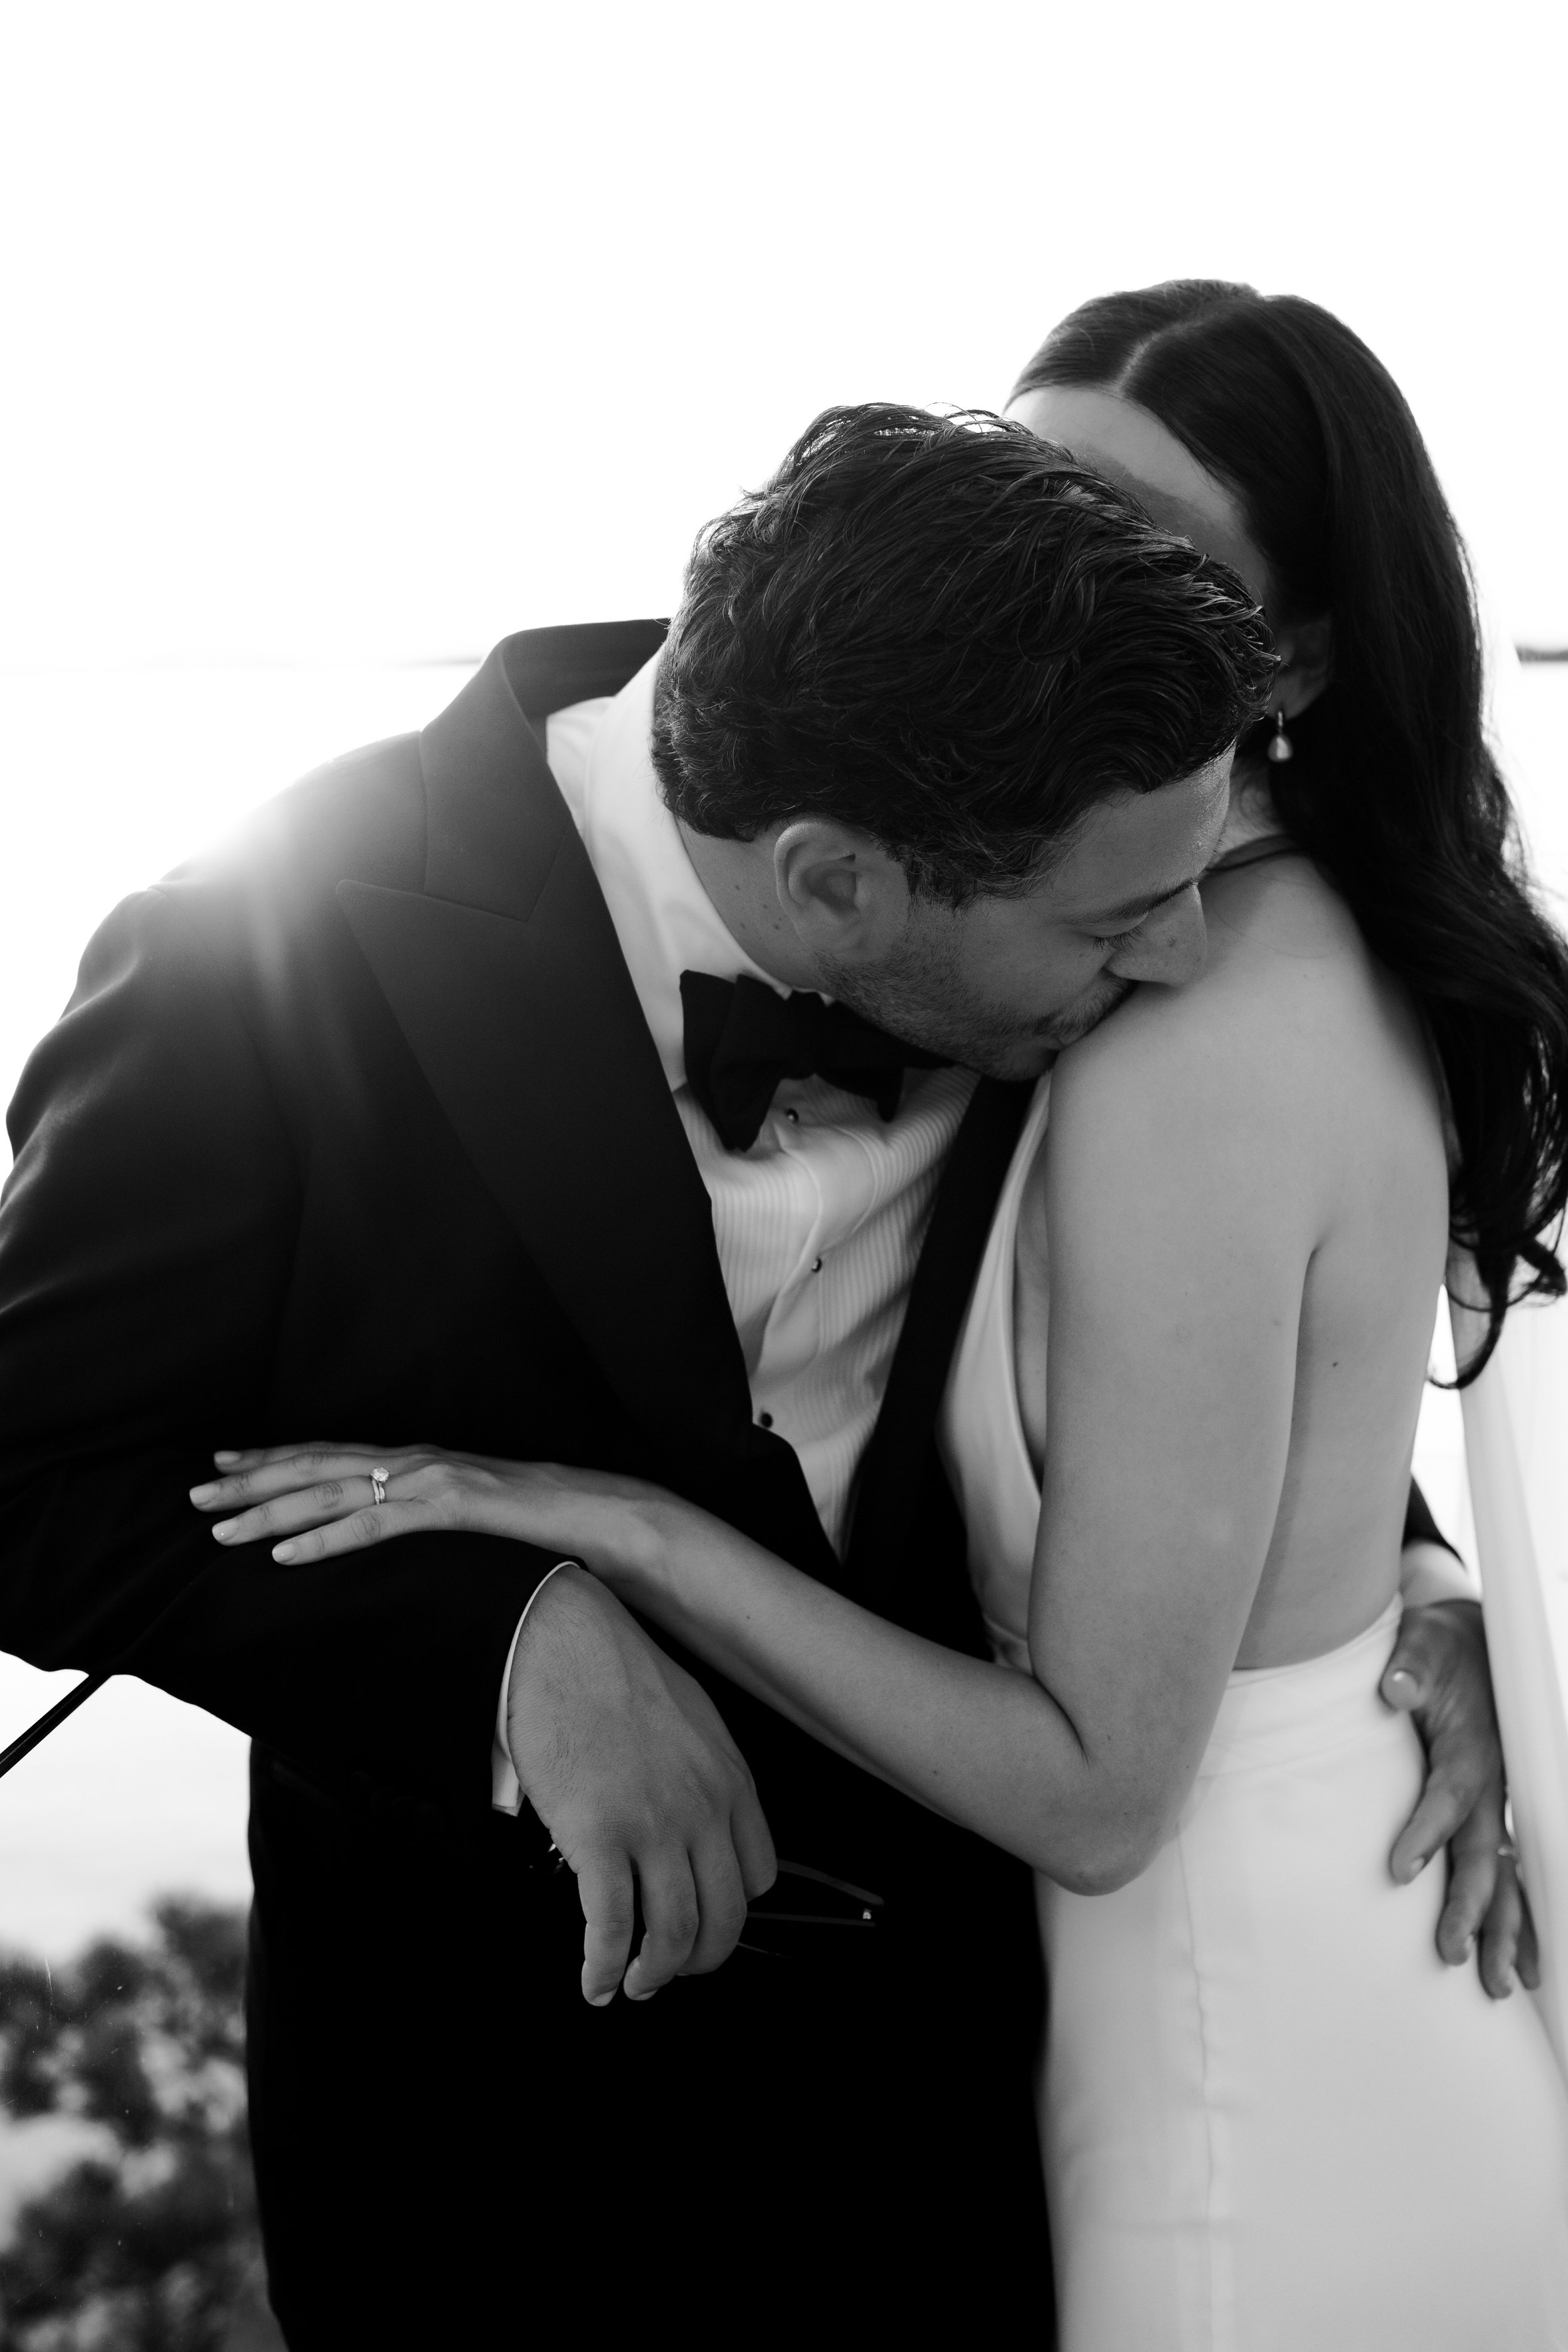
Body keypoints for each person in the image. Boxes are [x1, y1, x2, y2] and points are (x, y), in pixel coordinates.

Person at [0, 402, 1500, 2346]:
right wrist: (508, 1639)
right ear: (836, 885)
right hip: (498, 2134)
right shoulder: (255, 953)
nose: (1181, 965)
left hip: (968, 2097)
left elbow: (1169, 1331)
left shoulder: (991, 777)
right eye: (1123, 921)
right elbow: (29, 1480)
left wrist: (1404, 1579)